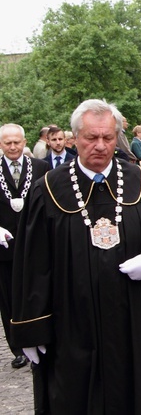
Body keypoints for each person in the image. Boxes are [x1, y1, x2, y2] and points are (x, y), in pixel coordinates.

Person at [11, 99, 141, 414]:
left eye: (107, 137)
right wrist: (30, 327)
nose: (100, 146)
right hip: (70, 323)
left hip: (131, 318)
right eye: (91, 138)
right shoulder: (47, 189)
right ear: (74, 137)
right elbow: (32, 264)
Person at [0, 124, 50, 370]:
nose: (12, 147)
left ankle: (41, 341)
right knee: (9, 299)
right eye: (7, 142)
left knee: (37, 293)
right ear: (1, 144)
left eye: (16, 142)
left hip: (36, 246)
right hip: (5, 249)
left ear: (23, 141)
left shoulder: (41, 168)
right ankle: (18, 348)